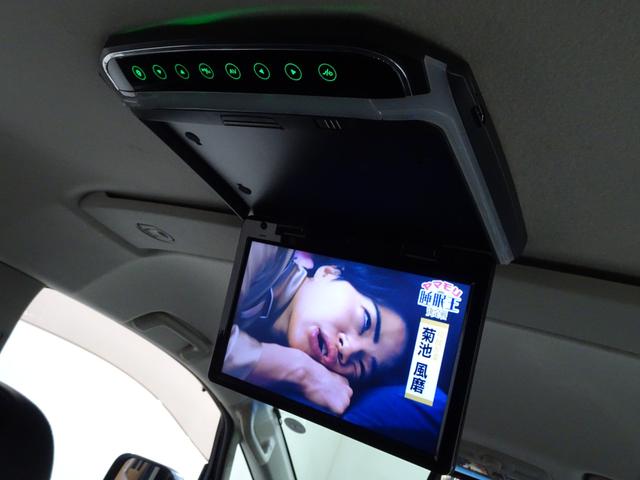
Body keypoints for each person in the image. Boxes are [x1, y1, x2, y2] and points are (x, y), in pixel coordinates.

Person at [223, 242, 418, 415]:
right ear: (329, 273)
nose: (348, 350)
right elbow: (214, 342)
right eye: (365, 322)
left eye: (361, 365)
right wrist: (300, 371)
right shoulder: (268, 249)